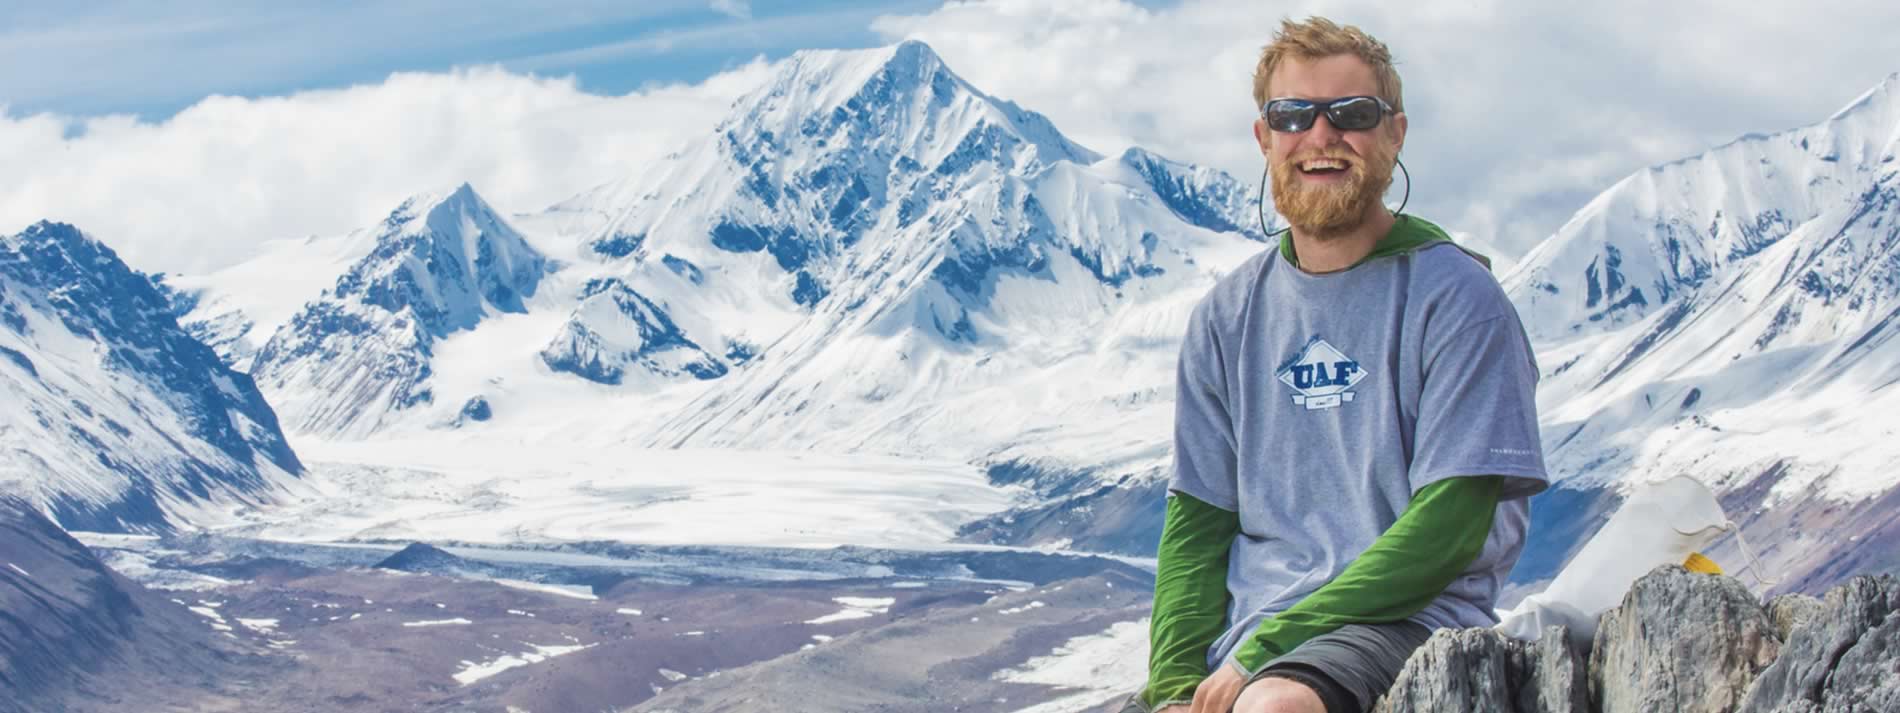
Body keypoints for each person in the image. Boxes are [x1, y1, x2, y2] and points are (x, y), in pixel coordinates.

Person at [1128, 16, 1549, 713]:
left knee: (1275, 707)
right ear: (1264, 138)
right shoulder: (1227, 317)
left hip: (1408, 621)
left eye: (1352, 114)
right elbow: (1198, 524)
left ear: (1394, 134)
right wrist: (1173, 688)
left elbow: (1449, 526)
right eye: (1293, 115)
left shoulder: (1458, 300)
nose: (1320, 137)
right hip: (1259, 637)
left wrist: (1267, 649)